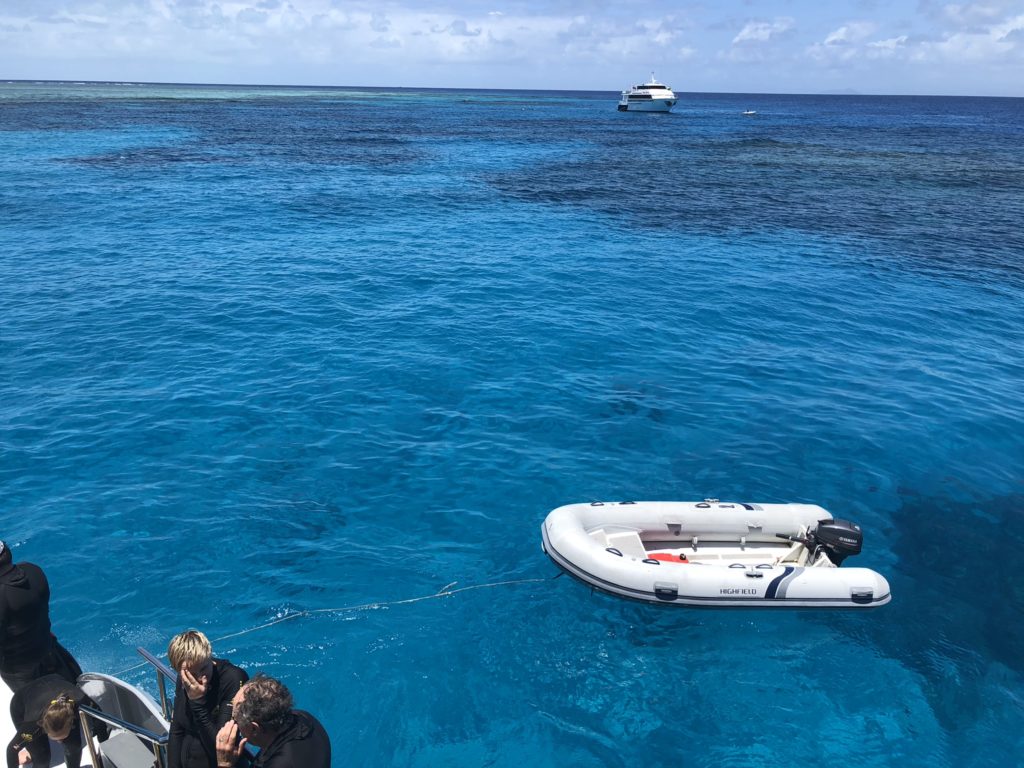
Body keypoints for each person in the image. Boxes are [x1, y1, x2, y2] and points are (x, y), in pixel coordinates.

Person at [0, 541, 82, 692]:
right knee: (74, 692)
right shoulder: (33, 571)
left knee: (43, 709)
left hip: (21, 670)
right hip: (49, 648)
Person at [168, 630, 249, 768]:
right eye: (193, 674)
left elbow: (219, 749)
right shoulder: (185, 677)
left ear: (209, 655)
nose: (201, 678)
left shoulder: (233, 679)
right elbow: (177, 729)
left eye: (204, 668)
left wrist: (197, 702)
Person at [214, 675, 330, 768]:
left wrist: (224, 764)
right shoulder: (303, 718)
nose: (234, 723)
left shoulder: (281, 763)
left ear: (254, 728)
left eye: (235, 719)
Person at [5, 673, 108, 768]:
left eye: (61, 738)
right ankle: (30, 753)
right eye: (56, 738)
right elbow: (11, 750)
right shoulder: (33, 725)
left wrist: (103, 750)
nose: (59, 742)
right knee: (42, 758)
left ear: (71, 721)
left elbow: (100, 720)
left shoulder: (79, 700)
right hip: (21, 703)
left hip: (55, 682)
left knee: (74, 746)